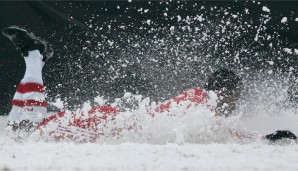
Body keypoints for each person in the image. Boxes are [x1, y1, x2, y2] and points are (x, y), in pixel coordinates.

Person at [2, 26, 297, 143]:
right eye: (235, 96)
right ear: (224, 91)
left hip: (111, 122)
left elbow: (223, 129)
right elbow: (226, 130)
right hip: (108, 125)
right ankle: (35, 59)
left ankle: (35, 59)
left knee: (28, 130)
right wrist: (264, 136)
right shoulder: (203, 102)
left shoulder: (201, 102)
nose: (236, 103)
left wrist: (264, 135)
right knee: (28, 132)